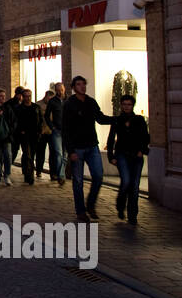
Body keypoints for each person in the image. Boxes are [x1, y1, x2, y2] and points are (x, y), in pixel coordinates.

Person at [62, 75, 114, 221]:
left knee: (98, 176)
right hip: (77, 148)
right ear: (73, 87)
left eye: (84, 84)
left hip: (92, 145)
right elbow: (66, 129)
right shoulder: (69, 104)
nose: (82, 87)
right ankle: (81, 211)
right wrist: (70, 150)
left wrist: (116, 119)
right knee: (78, 181)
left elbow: (100, 118)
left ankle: (90, 204)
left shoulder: (90, 102)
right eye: (79, 84)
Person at [107, 95, 150, 226]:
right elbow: (111, 138)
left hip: (136, 156)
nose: (126, 106)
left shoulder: (139, 120)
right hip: (122, 154)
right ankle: (120, 205)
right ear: (121, 105)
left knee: (135, 186)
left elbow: (145, 136)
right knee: (126, 181)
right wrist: (111, 155)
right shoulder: (117, 120)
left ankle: (132, 215)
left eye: (129, 104)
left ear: (132, 105)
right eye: (124, 104)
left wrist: (142, 150)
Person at [14, 88, 42, 185]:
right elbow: (15, 122)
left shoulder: (36, 107)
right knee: (28, 154)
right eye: (26, 96)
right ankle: (29, 176)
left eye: (29, 96)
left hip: (35, 134)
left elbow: (41, 120)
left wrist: (39, 131)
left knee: (32, 155)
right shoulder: (19, 108)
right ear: (23, 97)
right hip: (24, 135)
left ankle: (28, 173)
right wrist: (20, 131)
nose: (28, 98)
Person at [44, 82, 66, 185]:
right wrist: (52, 127)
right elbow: (47, 116)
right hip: (56, 130)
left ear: (64, 89)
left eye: (61, 90)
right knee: (58, 153)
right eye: (57, 90)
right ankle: (61, 175)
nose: (59, 92)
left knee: (65, 154)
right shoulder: (52, 101)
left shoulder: (68, 101)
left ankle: (61, 174)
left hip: (67, 131)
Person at [35, 89, 56, 178]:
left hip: (52, 132)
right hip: (42, 132)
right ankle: (39, 170)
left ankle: (53, 173)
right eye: (49, 99)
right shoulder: (38, 105)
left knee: (53, 153)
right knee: (40, 152)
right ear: (46, 96)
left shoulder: (55, 105)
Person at [10, 86, 26, 164]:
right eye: (20, 95)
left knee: (23, 150)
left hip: (22, 131)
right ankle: (9, 164)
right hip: (14, 131)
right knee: (14, 149)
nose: (21, 97)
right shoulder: (11, 104)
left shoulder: (24, 104)